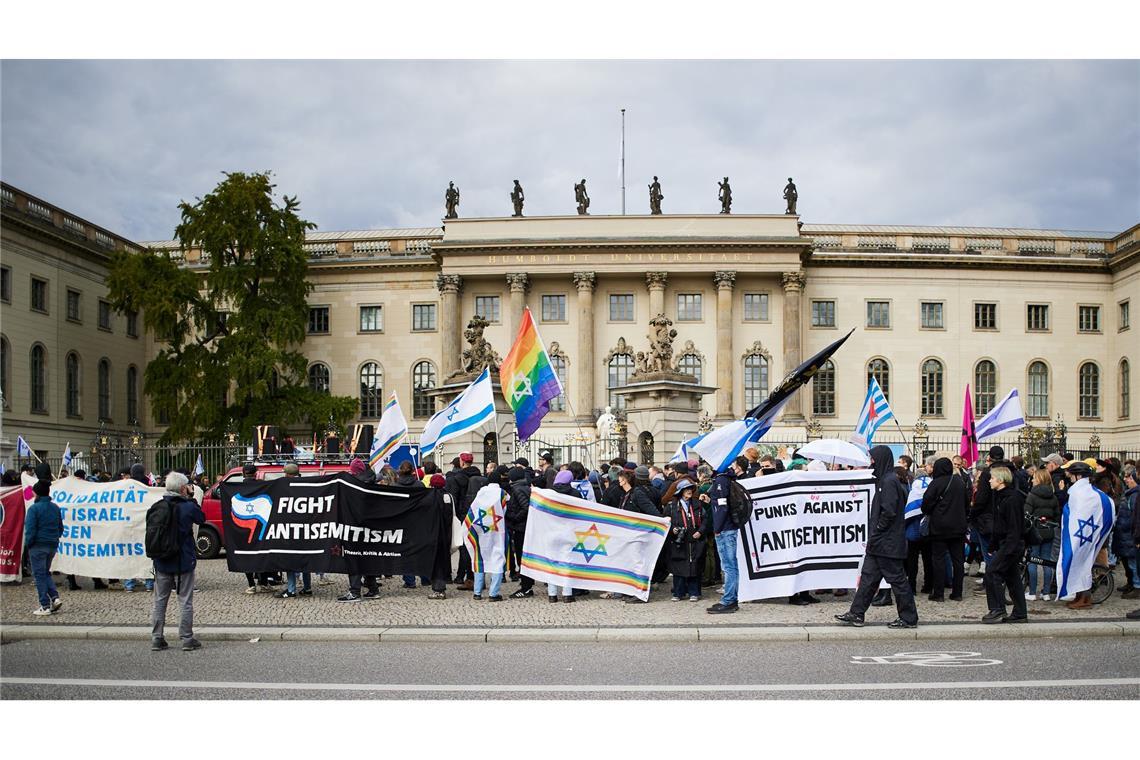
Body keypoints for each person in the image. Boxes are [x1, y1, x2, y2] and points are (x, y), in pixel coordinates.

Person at [835, 446, 919, 629]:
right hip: (880, 542)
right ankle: (857, 613)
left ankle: (909, 617)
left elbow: (889, 512)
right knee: (868, 578)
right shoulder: (885, 480)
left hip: (887, 542)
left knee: (897, 580)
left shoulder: (888, 481)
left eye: (872, 459)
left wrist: (878, 531)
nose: (870, 462)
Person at [149, 471, 207, 651]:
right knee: (185, 600)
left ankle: (157, 637)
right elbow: (201, 518)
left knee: (159, 600)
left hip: (161, 561)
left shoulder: (157, 506)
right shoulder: (188, 507)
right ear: (183, 488)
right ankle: (187, 638)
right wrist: (191, 498)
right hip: (182, 561)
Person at [980, 466, 1028, 623]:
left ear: (1000, 480)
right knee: (1012, 578)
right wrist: (993, 544)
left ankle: (998, 608)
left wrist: (1009, 549)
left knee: (992, 572)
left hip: (1012, 544)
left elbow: (1014, 527)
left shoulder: (1012, 499)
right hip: (1005, 543)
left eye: (992, 478)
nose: (989, 480)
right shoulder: (999, 496)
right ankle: (1020, 613)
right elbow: (999, 524)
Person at [921, 457, 968, 602]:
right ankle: (957, 592)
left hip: (939, 527)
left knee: (938, 560)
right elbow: (967, 504)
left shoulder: (936, 483)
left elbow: (926, 505)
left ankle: (938, 593)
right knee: (958, 561)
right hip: (958, 526)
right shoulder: (959, 482)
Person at [707, 455, 748, 614]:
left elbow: (721, 507)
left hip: (725, 529)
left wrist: (716, 528)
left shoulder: (721, 480)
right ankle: (730, 599)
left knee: (729, 566)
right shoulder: (725, 479)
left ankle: (729, 600)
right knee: (730, 565)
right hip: (727, 528)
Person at [666, 479, 711, 601]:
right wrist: (673, 529)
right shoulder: (671, 506)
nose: (689, 491)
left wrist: (700, 532)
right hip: (679, 541)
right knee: (679, 566)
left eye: (690, 489)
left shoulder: (697, 504)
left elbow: (705, 520)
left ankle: (694, 593)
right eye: (686, 489)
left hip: (694, 538)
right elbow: (665, 522)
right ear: (681, 492)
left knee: (694, 566)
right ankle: (678, 593)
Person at [26, 479, 64, 616]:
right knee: (45, 572)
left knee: (39, 575)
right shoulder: (55, 507)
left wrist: (28, 545)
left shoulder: (33, 509)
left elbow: (30, 530)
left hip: (38, 546)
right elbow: (60, 528)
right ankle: (55, 598)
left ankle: (45, 605)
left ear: (36, 493)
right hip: (52, 545)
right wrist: (55, 538)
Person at [276, 462, 312, 599]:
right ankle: (307, 587)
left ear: (288, 474)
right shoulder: (306, 485)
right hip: (306, 527)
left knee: (289, 557)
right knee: (305, 557)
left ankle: (291, 590)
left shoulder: (285, 486)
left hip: (290, 528)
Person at [1024, 467, 1060, 601]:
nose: (1032, 480)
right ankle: (1046, 593)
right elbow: (1057, 516)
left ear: (1038, 479)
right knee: (1047, 562)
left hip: (1035, 532)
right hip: (1049, 532)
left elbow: (1026, 515)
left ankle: (1032, 592)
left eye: (1034, 478)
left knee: (1032, 561)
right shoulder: (1053, 496)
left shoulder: (1032, 496)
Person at [395, 461, 430, 589]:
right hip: (418, 520)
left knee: (405, 551)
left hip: (403, 521)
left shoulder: (396, 486)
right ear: (412, 471)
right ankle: (426, 578)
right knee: (421, 550)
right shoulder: (420, 485)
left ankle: (409, 580)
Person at [547, 471, 579, 603]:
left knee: (551, 561)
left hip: (552, 531)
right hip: (569, 531)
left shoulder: (549, 494)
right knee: (567, 562)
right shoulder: (575, 494)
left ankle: (552, 594)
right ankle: (567, 594)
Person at [506, 466, 535, 598]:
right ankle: (526, 583)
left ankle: (526, 588)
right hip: (523, 527)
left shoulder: (518, 490)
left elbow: (525, 507)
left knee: (521, 558)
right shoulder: (524, 487)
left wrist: (514, 518)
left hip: (521, 528)